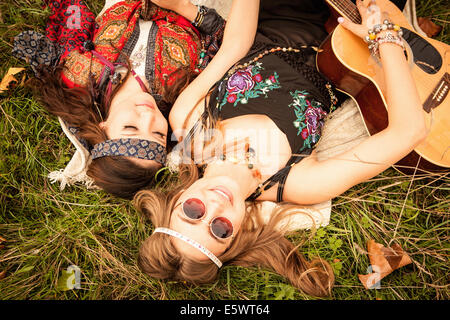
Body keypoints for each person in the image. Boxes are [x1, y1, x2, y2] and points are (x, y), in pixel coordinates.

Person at [134, 0, 427, 297]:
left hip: (279, 11)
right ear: (237, 234)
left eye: (193, 211)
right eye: (219, 229)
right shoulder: (300, 183)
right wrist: (382, 34)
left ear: (178, 199)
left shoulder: (188, 123)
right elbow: (409, 131)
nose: (214, 206)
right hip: (349, 48)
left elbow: (235, 46)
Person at [12, 0, 226, 199]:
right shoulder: (182, 92)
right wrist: (184, 7)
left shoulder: (80, 76)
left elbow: (75, 20)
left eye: (131, 127)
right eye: (159, 133)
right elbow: (225, 38)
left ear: (103, 127)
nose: (148, 117)